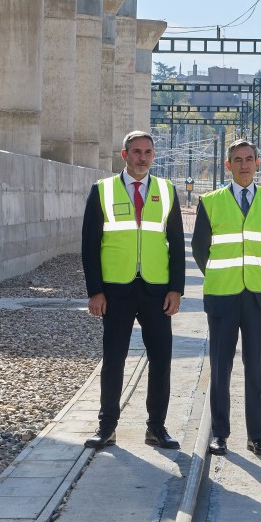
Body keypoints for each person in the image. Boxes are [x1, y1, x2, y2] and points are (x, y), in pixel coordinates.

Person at [81, 130, 185, 450]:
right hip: (116, 290)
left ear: (154, 156)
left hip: (156, 290)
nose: (142, 157)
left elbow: (177, 246)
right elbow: (89, 245)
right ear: (124, 155)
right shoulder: (102, 191)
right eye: (136, 152)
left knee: (161, 360)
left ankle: (156, 428)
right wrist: (95, 291)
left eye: (148, 153)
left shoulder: (167, 191)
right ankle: (107, 427)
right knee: (114, 359)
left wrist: (176, 289)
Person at [192, 139, 261, 457]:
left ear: (258, 163)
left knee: (255, 367)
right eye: (237, 159)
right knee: (221, 367)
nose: (244, 164)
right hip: (222, 295)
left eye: (249, 159)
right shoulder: (210, 201)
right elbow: (199, 248)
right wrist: (220, 275)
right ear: (228, 164)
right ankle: (220, 434)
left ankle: (256, 436)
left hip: (258, 296)